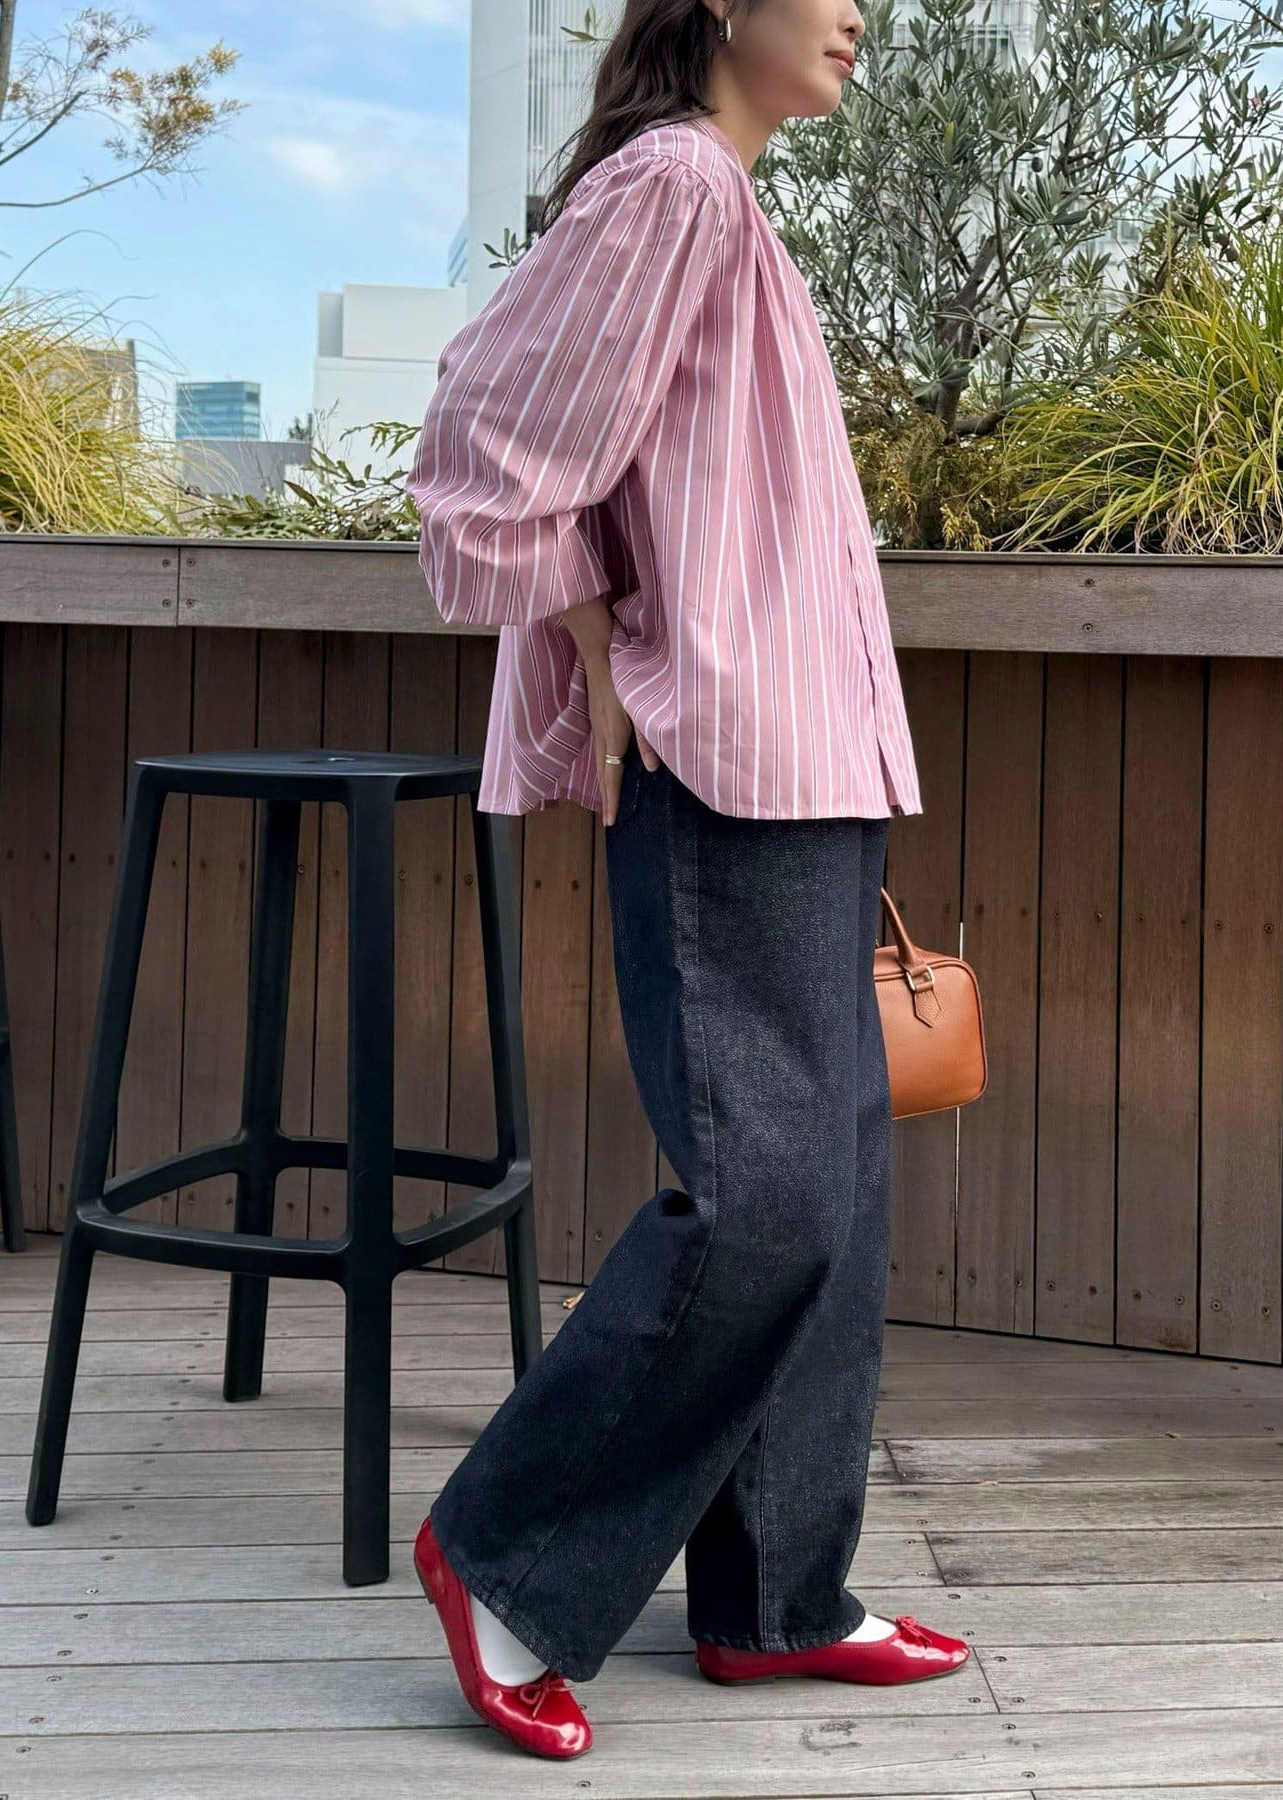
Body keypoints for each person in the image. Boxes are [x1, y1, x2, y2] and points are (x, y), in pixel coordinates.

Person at [403, 0, 967, 1762]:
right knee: (767, 1196)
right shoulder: (671, 186)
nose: (862, 11)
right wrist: (592, 640)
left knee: (833, 1193)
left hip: (804, 762)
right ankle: (504, 1555)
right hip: (721, 762)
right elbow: (484, 437)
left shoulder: (724, 199)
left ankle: (777, 1598)